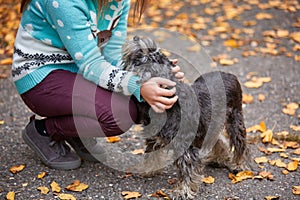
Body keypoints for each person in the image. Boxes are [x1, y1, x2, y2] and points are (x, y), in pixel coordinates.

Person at [12, 0, 184, 170]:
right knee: (120, 115)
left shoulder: (118, 1)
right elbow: (92, 65)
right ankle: (44, 131)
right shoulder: (65, 3)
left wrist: (156, 74)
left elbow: (113, 57)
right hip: (41, 77)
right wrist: (139, 86)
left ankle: (72, 129)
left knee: (137, 102)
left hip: (78, 73)